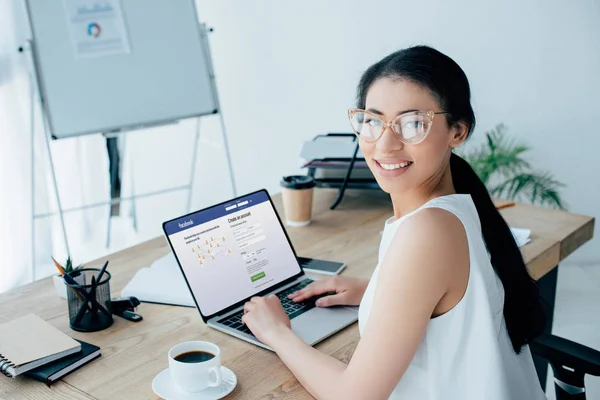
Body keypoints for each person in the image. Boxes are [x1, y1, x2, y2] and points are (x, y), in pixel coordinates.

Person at [241, 45, 547, 400]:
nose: (385, 144)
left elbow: (353, 396)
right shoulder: (454, 206)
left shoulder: (428, 231)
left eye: (413, 123)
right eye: (373, 121)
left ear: (457, 132)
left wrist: (277, 332)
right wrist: (377, 291)